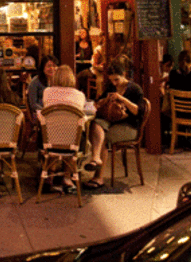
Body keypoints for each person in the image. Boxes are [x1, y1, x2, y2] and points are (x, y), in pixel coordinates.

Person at [84, 61, 145, 190]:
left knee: (103, 138)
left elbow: (138, 111)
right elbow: (97, 103)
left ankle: (98, 177)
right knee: (95, 124)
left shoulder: (135, 89)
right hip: (112, 121)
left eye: (116, 79)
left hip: (129, 125)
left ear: (124, 74)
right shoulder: (111, 87)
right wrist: (106, 99)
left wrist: (122, 99)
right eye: (112, 80)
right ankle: (95, 158)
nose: (114, 83)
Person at [41, 65, 87, 193]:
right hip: (73, 140)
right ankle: (67, 177)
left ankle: (50, 174)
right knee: (73, 136)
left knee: (54, 133)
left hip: (50, 139)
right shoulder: (80, 95)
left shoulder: (47, 92)